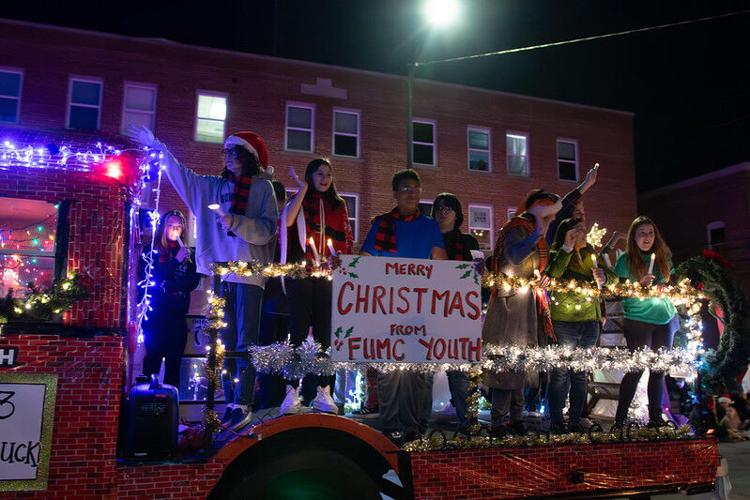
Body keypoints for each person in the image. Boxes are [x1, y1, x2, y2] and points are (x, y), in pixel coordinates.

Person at [126, 125, 278, 431]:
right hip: (221, 273)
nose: (230, 157)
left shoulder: (263, 189)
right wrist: (159, 147)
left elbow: (267, 230)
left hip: (248, 274)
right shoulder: (213, 187)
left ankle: (243, 401)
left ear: (249, 157)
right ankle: (230, 401)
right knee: (224, 340)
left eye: (237, 152)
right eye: (227, 152)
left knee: (245, 339)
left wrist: (233, 221)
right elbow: (182, 176)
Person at [361, 169, 447, 443]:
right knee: (390, 371)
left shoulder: (430, 226)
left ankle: (416, 425)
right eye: (406, 189)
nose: (412, 194)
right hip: (388, 309)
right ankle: (390, 424)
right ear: (395, 194)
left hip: (421, 309)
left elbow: (441, 262)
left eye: (416, 189)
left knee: (419, 372)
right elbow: (364, 259)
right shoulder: (382, 225)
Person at [278, 158, 353, 414]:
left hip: (327, 277)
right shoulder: (300, 200)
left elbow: (346, 238)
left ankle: (324, 391)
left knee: (325, 334)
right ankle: (291, 391)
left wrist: (340, 264)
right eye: (319, 173)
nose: (325, 178)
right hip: (301, 274)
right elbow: (287, 222)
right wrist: (302, 190)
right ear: (309, 175)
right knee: (297, 331)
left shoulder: (338, 204)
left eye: (329, 174)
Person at [483, 189, 561, 436]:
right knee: (507, 365)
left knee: (521, 364)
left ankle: (516, 419)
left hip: (527, 304)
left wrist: (542, 278)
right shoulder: (518, 228)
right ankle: (498, 422)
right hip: (509, 304)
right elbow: (514, 258)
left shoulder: (537, 236)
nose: (549, 216)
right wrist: (538, 229)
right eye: (544, 209)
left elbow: (533, 268)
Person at [545, 217, 617, 433]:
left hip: (589, 322)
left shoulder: (591, 254)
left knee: (580, 373)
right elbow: (551, 276)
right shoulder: (558, 253)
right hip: (564, 322)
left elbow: (613, 279)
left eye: (584, 230)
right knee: (560, 373)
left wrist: (605, 277)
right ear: (567, 234)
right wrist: (567, 248)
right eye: (578, 231)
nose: (584, 234)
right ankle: (556, 421)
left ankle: (576, 420)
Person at [612, 216, 676, 429]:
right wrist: (639, 285)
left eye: (650, 233)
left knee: (658, 370)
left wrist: (666, 288)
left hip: (664, 319)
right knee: (636, 369)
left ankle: (655, 419)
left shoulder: (663, 258)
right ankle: (620, 420)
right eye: (642, 233)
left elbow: (674, 282)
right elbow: (619, 293)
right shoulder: (625, 260)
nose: (647, 237)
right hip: (638, 320)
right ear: (634, 237)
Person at [431, 193, 480, 434]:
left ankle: (468, 422)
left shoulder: (468, 242)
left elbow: (477, 277)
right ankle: (417, 424)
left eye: (448, 208)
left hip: (457, 313)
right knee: (420, 370)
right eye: (439, 208)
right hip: (428, 310)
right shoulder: (426, 239)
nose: (443, 212)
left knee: (461, 371)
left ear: (457, 213)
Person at [140, 210, 201, 389]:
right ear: (163, 227)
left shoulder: (189, 253)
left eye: (179, 226)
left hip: (177, 315)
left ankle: (171, 407)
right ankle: (148, 404)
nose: (175, 230)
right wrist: (175, 261)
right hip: (155, 317)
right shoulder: (151, 250)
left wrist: (168, 286)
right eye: (171, 226)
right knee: (152, 361)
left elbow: (192, 282)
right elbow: (153, 277)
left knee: (174, 365)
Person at [256, 181, 290, 410]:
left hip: (285, 301)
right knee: (267, 351)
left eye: (279, 202)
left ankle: (279, 397)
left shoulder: (287, 227)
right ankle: (269, 398)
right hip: (266, 299)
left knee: (283, 352)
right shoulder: (264, 228)